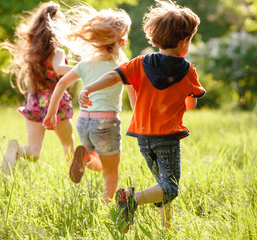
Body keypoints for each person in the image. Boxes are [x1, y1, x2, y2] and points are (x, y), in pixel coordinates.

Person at [78, 0, 205, 231]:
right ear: (185, 42)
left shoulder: (139, 63)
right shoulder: (188, 70)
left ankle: (166, 229)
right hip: (167, 138)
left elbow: (112, 77)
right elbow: (191, 105)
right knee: (170, 186)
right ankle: (130, 198)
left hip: (144, 139)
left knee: (162, 184)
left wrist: (89, 88)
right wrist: (185, 97)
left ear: (155, 38)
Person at [43, 4, 135, 203]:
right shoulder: (122, 65)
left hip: (83, 121)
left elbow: (61, 83)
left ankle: (84, 156)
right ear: (122, 41)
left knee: (99, 162)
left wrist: (50, 114)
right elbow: (132, 90)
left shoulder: (85, 63)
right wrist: (137, 118)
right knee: (111, 173)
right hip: (107, 123)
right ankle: (106, 207)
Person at [0, 1, 74, 175]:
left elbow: (32, 84)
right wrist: (83, 69)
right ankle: (74, 180)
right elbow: (59, 69)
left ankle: (18, 150)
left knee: (34, 151)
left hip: (34, 101)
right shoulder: (57, 53)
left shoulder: (32, 53)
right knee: (68, 145)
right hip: (56, 103)